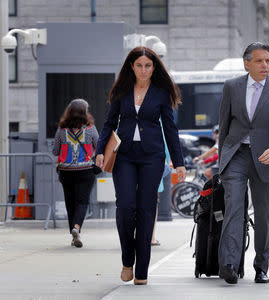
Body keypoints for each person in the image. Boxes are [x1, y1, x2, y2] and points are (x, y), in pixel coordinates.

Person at [95, 46, 186, 286]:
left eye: (148, 65)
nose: (144, 70)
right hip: (124, 155)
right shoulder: (121, 91)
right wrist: (99, 152)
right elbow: (108, 123)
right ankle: (128, 260)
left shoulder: (161, 94)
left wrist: (179, 163)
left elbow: (170, 129)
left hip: (152, 157)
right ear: (131, 67)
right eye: (139, 65)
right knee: (125, 207)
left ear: (154, 67)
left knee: (146, 210)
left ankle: (142, 270)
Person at [218, 42, 269, 285]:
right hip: (236, 155)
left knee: (264, 215)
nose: (265, 65)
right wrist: (223, 160)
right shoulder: (231, 87)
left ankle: (261, 266)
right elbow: (224, 125)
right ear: (247, 63)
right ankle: (229, 265)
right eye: (259, 61)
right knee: (233, 207)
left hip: (266, 157)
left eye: (268, 61)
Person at [53, 99, 99, 248]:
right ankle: (76, 228)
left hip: (66, 172)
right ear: (84, 113)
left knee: (70, 203)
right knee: (82, 202)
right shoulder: (91, 129)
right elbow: (98, 147)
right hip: (85, 171)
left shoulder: (61, 130)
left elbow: (55, 150)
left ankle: (74, 236)